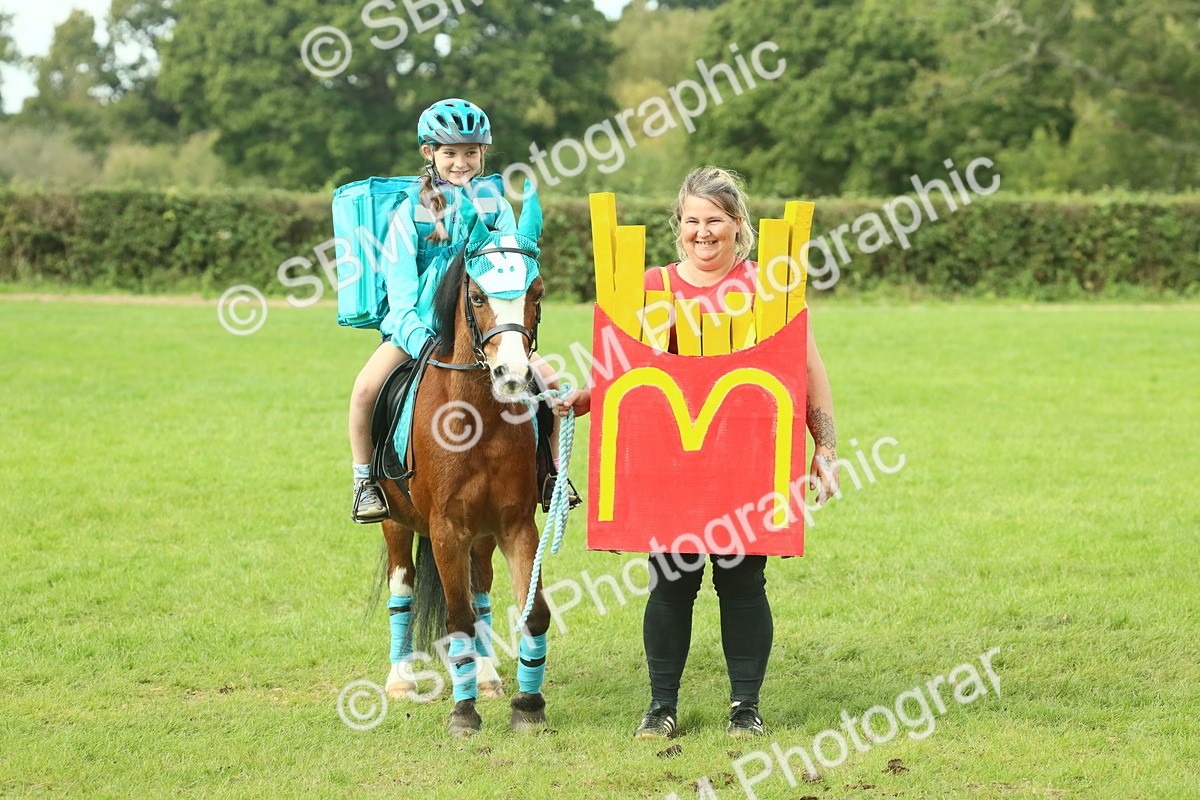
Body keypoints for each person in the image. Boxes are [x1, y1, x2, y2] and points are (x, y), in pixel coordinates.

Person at [554, 166, 840, 738]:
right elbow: (621, 368)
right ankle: (661, 707)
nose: (702, 232)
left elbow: (806, 370)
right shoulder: (652, 287)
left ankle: (745, 708)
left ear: (738, 225)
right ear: (678, 226)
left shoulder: (768, 287)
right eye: (691, 220)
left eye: (714, 220)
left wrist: (825, 447)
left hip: (747, 459)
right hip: (669, 463)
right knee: (670, 581)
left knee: (742, 581)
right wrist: (582, 398)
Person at [348, 98, 573, 523]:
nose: (460, 162)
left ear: (483, 153)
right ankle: (365, 481)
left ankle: (551, 475)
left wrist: (511, 330)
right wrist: (416, 336)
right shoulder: (408, 211)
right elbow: (399, 294)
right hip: (418, 330)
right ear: (429, 153)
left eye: (470, 152)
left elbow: (511, 272)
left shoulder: (498, 207)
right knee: (364, 390)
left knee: (553, 383)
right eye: (449, 152)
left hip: (487, 330)